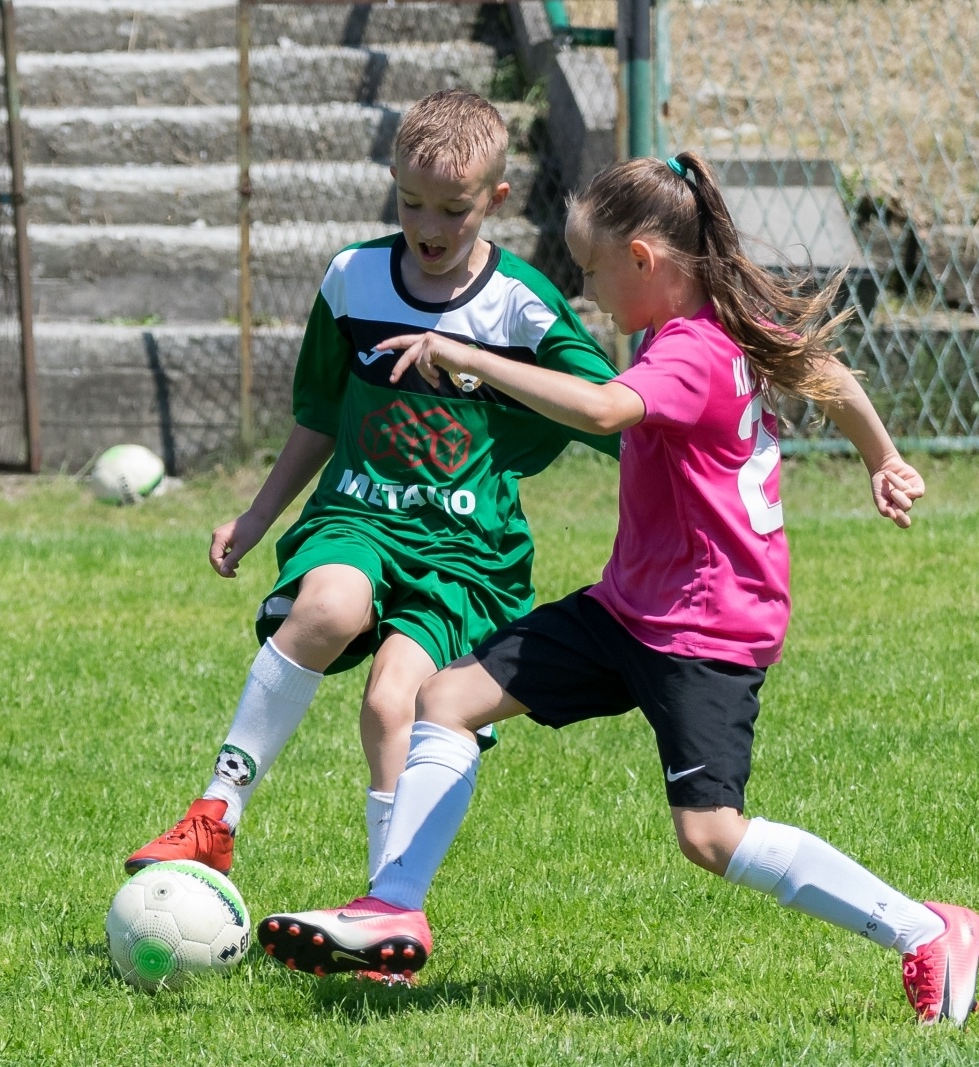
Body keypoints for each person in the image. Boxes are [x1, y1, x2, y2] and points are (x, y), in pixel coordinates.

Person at [256, 152, 979, 1026]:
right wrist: (883, 458)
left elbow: (604, 410)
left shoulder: (688, 350)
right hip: (629, 608)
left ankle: (927, 929)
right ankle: (393, 908)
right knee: (446, 699)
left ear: (643, 260)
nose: (588, 290)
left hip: (705, 628)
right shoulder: (723, 319)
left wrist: (470, 358)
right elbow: (825, 373)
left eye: (594, 270)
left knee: (710, 835)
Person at [124, 91, 619, 917]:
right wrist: (257, 516)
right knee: (327, 607)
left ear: (496, 199)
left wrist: (700, 463)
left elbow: (614, 411)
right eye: (410, 201)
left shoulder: (521, 303)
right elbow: (320, 413)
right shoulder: (353, 279)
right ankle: (217, 811)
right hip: (357, 516)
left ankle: (387, 912)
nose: (428, 226)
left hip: (465, 552)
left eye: (453, 210)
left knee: (395, 705)